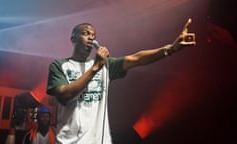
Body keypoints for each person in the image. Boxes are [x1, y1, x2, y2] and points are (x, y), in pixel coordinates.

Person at [46, 18, 196, 144]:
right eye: (86, 33)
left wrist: (170, 49)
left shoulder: (107, 65)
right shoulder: (59, 66)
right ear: (73, 38)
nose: (91, 37)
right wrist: (95, 67)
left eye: (93, 35)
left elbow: (137, 58)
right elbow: (64, 96)